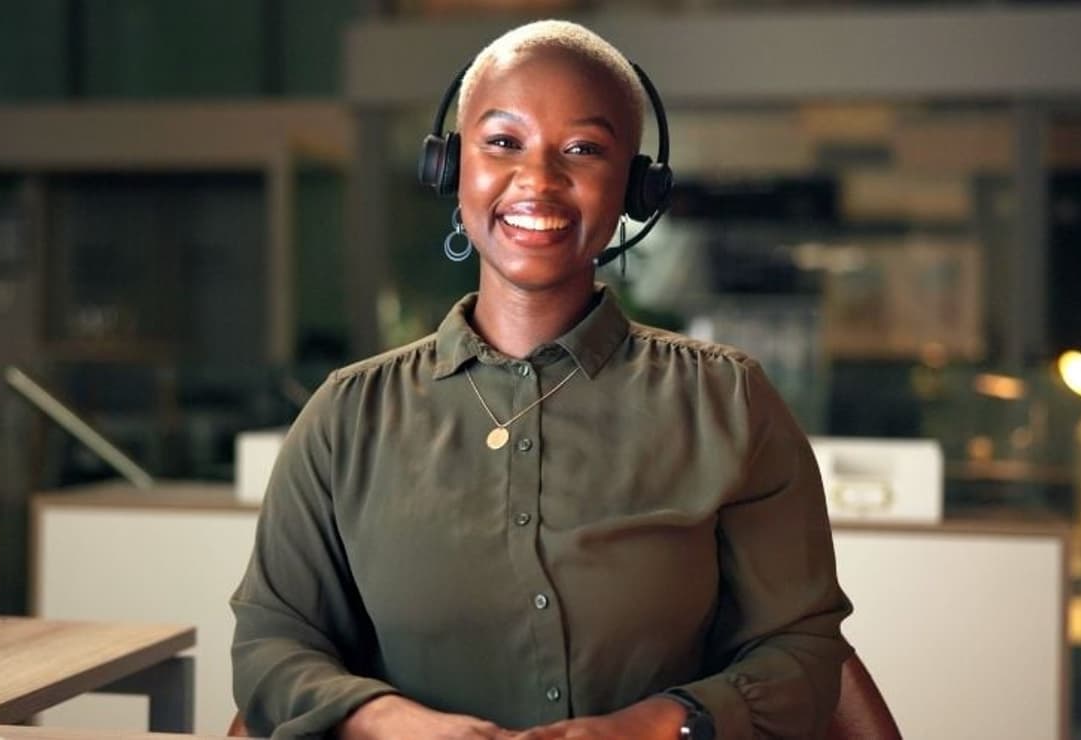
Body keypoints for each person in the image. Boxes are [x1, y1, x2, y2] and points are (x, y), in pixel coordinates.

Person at [232, 20, 852, 740]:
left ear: (636, 187)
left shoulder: (729, 402)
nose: (539, 180)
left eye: (584, 149)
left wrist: (648, 729)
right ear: (450, 165)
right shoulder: (346, 416)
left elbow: (804, 656)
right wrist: (390, 723)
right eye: (502, 142)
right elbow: (270, 647)